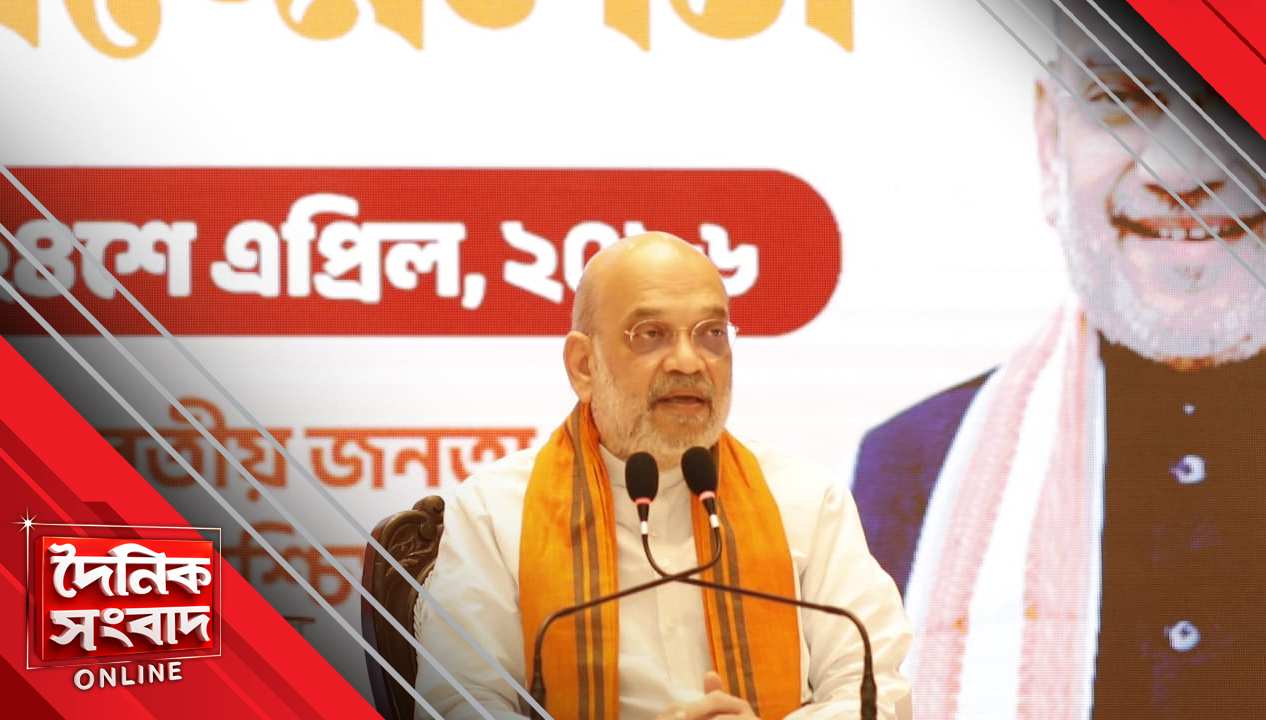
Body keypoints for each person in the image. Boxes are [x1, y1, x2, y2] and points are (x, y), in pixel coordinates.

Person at [851, 1, 1266, 718]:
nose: (1182, 170)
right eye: (1123, 98)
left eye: (1237, 96)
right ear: (1051, 141)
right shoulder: (909, 468)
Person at [414, 232, 912, 720]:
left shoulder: (805, 500)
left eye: (711, 334)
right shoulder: (496, 511)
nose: (689, 361)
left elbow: (876, 688)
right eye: (651, 334)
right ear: (584, 366)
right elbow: (458, 701)